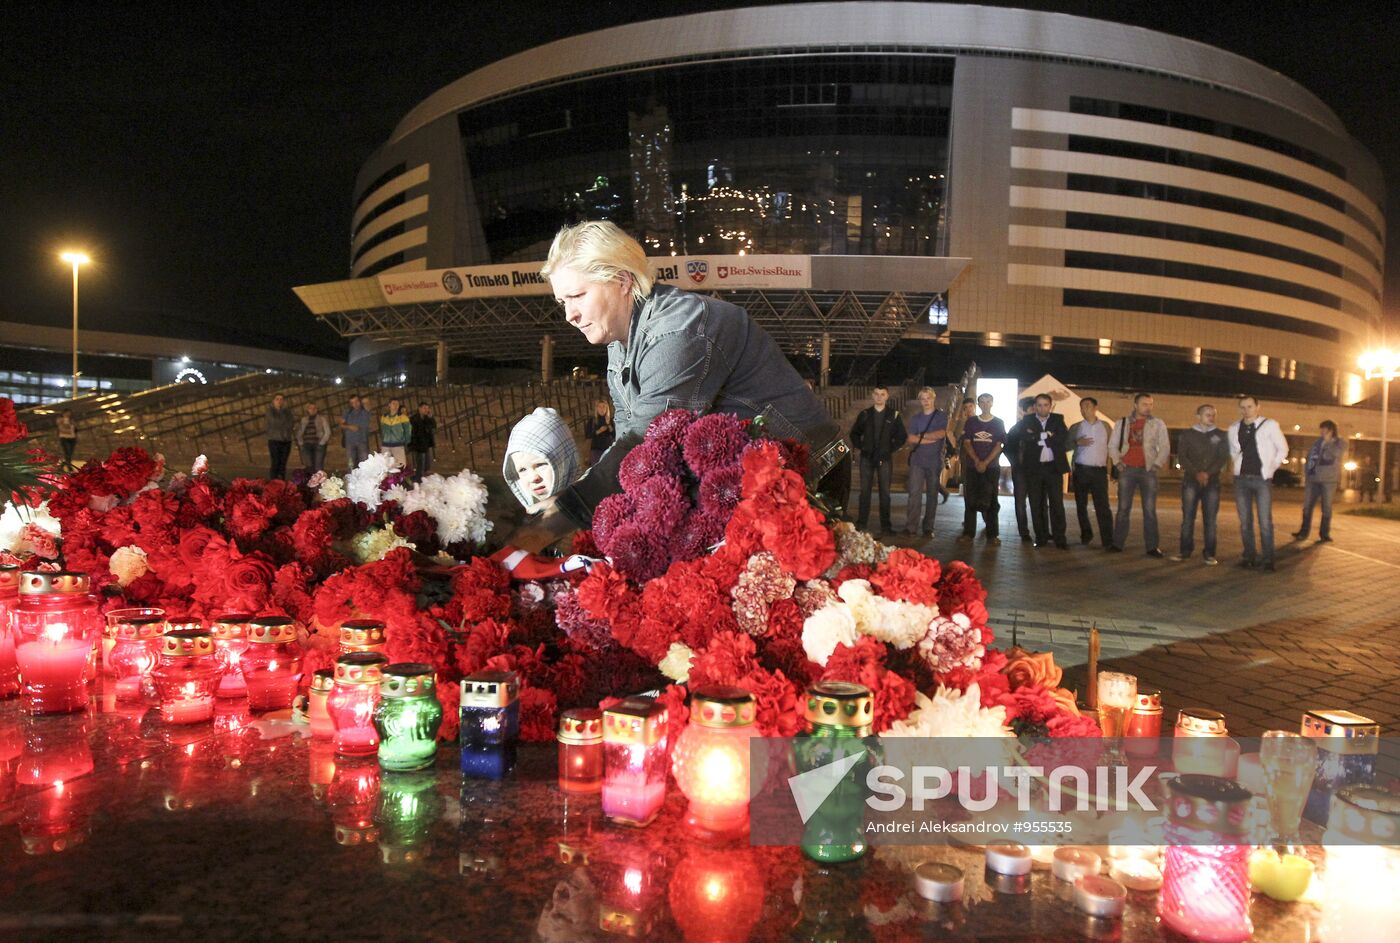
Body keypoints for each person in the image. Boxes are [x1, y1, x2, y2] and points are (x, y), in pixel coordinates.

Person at [521, 220, 843, 548]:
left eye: (577, 296)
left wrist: (551, 522)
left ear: (621, 280)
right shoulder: (618, 344)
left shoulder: (678, 331)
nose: (569, 315)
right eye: (563, 302)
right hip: (756, 477)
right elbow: (626, 447)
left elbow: (647, 444)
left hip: (812, 470)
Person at [1228, 395, 1290, 572]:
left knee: (1265, 521)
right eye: (1243, 407)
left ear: (1257, 407)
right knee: (1245, 521)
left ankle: (1268, 559)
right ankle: (1249, 556)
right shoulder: (1234, 428)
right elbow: (1233, 451)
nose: (1246, 410)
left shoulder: (1270, 425)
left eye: (1249, 406)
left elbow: (1283, 448)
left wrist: (1271, 468)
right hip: (1241, 479)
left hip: (1261, 479)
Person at [1109, 392, 1169, 556]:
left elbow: (1165, 446)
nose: (1148, 407)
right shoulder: (1122, 423)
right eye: (1144, 404)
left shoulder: (1158, 424)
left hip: (1148, 470)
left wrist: (1156, 464)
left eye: (1150, 404)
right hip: (1127, 469)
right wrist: (1117, 462)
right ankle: (1117, 543)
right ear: (1135, 405)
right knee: (1123, 508)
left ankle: (1152, 546)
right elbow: (1113, 445)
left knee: (1149, 510)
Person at [1009, 393, 1069, 549]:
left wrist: (1037, 436)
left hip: (1053, 468)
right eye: (1039, 405)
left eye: (1045, 405)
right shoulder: (1027, 421)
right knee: (1036, 503)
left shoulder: (1058, 419)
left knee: (1057, 504)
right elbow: (1025, 437)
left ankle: (1060, 538)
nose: (1042, 408)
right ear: (1035, 406)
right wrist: (1047, 435)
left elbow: (1062, 438)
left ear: (1051, 406)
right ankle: (1041, 537)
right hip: (1034, 469)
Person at [1172, 404, 1230, 565]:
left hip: (1212, 482)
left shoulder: (1220, 435)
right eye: (1207, 414)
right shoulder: (1188, 434)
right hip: (1191, 480)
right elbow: (1182, 457)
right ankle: (1185, 551)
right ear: (1198, 416)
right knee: (1188, 517)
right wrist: (1196, 472)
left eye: (1213, 415)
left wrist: (1208, 473)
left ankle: (1210, 553)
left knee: (1210, 519)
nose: (1211, 417)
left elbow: (1222, 458)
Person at [850, 387, 906, 535]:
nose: (879, 397)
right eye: (876, 394)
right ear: (872, 396)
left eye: (882, 394)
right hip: (866, 459)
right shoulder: (865, 414)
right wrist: (862, 447)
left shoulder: (893, 415)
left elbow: (902, 436)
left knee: (885, 493)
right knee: (864, 492)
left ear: (887, 396)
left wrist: (889, 450)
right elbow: (854, 434)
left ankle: (886, 527)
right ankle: (861, 524)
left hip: (885, 459)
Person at [1066, 396, 1113, 547]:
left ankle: (1108, 539)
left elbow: (1112, 448)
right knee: (1081, 505)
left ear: (1095, 408)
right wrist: (1076, 442)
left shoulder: (1105, 427)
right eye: (1081, 407)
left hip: (1099, 471)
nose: (1083, 409)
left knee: (1103, 506)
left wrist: (1113, 469)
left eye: (1087, 406)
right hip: (1081, 470)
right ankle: (1086, 533)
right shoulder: (1076, 427)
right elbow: (1065, 445)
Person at [959, 392, 1005, 543]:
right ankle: (968, 533)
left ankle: (992, 535)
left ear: (992, 403)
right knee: (970, 499)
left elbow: (999, 445)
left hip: (991, 468)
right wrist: (977, 461)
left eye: (988, 401)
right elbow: (967, 443)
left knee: (991, 501)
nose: (985, 404)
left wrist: (985, 462)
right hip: (972, 467)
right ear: (978, 404)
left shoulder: (998, 422)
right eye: (982, 402)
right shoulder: (971, 422)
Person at [903, 386, 947, 537]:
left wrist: (921, 436)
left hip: (934, 461)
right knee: (914, 493)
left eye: (928, 398)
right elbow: (910, 438)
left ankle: (928, 527)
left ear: (933, 398)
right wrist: (929, 438)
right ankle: (911, 527)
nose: (926, 401)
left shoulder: (941, 416)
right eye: (923, 398)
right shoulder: (916, 418)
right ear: (920, 401)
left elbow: (941, 434)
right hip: (917, 460)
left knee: (932, 495)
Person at [1294, 420, 1345, 543]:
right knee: (1307, 507)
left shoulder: (1340, 443)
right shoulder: (1317, 442)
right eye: (1321, 429)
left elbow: (1336, 454)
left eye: (1324, 430)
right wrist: (1307, 472)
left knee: (1326, 507)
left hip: (1328, 480)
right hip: (1313, 479)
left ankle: (1324, 534)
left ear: (1331, 430)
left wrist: (1327, 443)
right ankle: (1303, 532)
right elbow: (1310, 457)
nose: (1321, 432)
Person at [1004, 397, 1035, 542]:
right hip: (1021, 470)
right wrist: (1016, 463)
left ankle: (1041, 531)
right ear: (1024, 410)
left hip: (1037, 471)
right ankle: (1024, 532)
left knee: (1039, 502)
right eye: (1032, 409)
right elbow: (1007, 449)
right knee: (1020, 501)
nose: (1035, 411)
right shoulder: (1017, 428)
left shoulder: (1042, 426)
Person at [295, 402, 331, 474]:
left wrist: (322, 442)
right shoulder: (304, 420)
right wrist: (301, 443)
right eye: (310, 408)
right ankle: (310, 483)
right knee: (309, 466)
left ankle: (319, 483)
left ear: (317, 409)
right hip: (306, 444)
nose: (312, 410)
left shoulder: (322, 419)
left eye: (314, 408)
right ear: (308, 410)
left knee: (318, 466)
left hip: (318, 444)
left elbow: (327, 431)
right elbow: (300, 432)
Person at [266, 393, 294, 480]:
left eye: (281, 399)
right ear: (273, 401)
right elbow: (274, 422)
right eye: (277, 399)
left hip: (286, 440)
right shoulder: (270, 411)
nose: (279, 401)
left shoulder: (287, 412)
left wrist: (283, 423)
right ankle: (273, 481)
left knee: (283, 463)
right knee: (275, 462)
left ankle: (281, 481)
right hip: (274, 440)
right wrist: (284, 423)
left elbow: (291, 423)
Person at [341, 395, 371, 471]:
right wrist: (350, 427)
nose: (355, 404)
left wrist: (365, 401)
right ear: (350, 404)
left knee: (364, 464)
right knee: (350, 464)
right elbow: (341, 424)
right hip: (350, 442)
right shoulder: (347, 412)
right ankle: (351, 480)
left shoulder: (365, 410)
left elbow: (367, 402)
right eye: (352, 402)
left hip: (362, 441)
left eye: (356, 401)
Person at [379, 398, 411, 467]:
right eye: (393, 403)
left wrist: (405, 442)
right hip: (386, 445)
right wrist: (383, 440)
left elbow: (407, 432)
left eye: (397, 404)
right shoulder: (384, 417)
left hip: (398, 445)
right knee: (384, 466)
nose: (396, 405)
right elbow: (382, 431)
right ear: (389, 405)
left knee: (400, 465)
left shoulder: (403, 417)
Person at [409, 402, 436, 482]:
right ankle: (419, 479)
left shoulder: (427, 418)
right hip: (418, 444)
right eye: (424, 408)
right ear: (419, 408)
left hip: (426, 444)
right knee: (420, 463)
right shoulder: (414, 418)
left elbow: (433, 426)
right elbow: (413, 432)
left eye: (427, 408)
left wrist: (431, 418)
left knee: (426, 463)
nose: (426, 410)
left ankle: (422, 478)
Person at [584, 399, 614, 467]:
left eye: (604, 407)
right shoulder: (592, 421)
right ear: (596, 408)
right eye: (599, 407)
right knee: (596, 470)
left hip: (607, 449)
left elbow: (614, 434)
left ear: (607, 408)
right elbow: (588, 435)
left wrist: (608, 424)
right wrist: (599, 431)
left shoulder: (610, 420)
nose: (602, 409)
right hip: (596, 450)